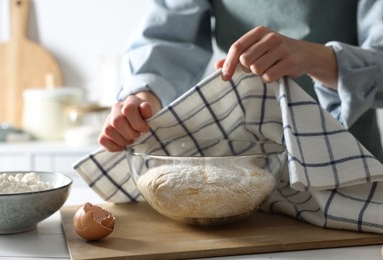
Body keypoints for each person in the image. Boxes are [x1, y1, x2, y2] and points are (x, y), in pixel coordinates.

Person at [98, 0, 383, 162]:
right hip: (237, 161)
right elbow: (167, 37)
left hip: (347, 161)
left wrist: (318, 58)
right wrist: (143, 97)